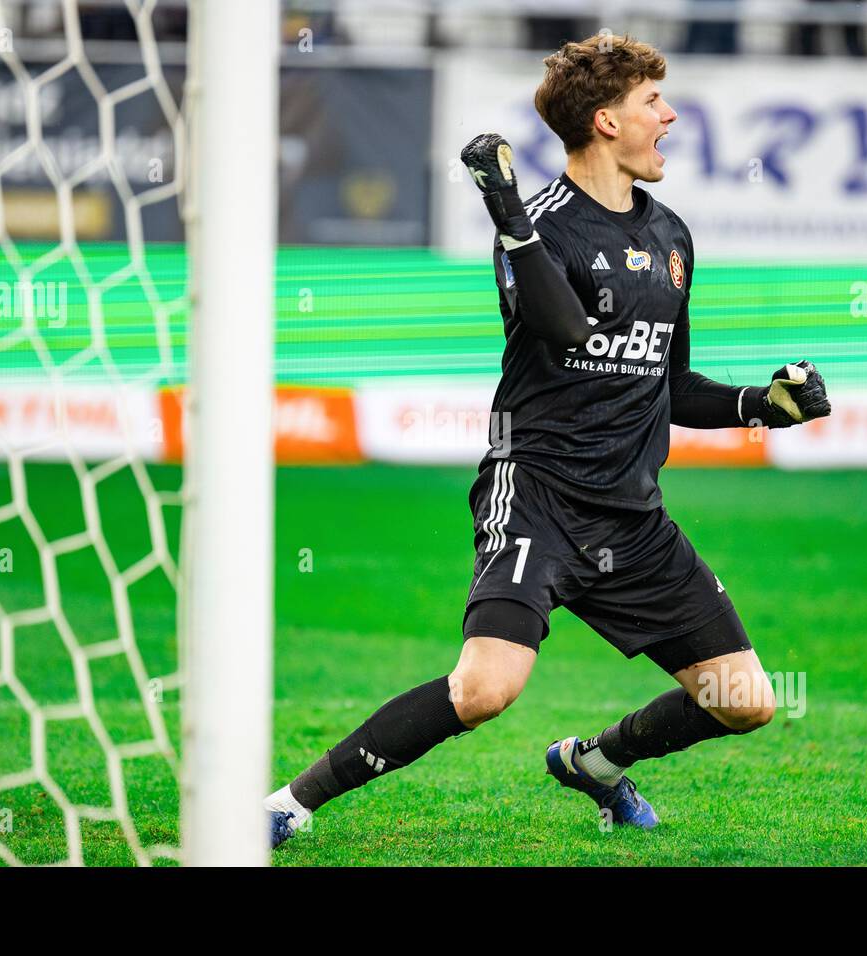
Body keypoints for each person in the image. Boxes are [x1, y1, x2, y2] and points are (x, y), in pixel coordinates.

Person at [266, 33, 832, 848]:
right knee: (485, 688)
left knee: (745, 700)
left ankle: (593, 765)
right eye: (652, 103)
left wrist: (763, 403)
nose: (670, 116)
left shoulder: (672, 237)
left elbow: (668, 384)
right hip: (536, 497)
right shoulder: (537, 227)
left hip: (633, 519)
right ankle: (289, 805)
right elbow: (566, 327)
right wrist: (507, 216)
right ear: (606, 121)